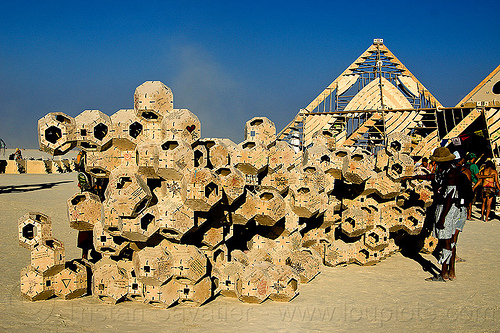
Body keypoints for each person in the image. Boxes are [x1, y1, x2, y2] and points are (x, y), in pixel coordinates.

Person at [401, 147, 461, 281]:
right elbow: (432, 177)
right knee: (450, 241)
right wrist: (414, 177)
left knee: (445, 241)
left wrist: (442, 218)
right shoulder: (446, 171)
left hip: (447, 209)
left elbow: (450, 197)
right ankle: (451, 272)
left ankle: (443, 273)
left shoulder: (451, 174)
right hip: (447, 208)